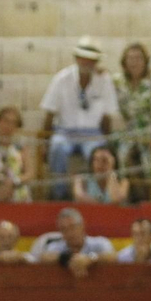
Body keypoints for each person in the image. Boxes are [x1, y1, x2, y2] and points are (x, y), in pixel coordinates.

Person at [38, 37, 118, 195]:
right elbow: (49, 112)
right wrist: (44, 141)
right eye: (84, 58)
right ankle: (59, 194)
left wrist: (106, 143)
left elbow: (107, 116)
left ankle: (97, 195)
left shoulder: (105, 80)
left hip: (92, 133)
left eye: (91, 59)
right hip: (64, 131)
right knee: (57, 148)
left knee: (99, 154)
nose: (87, 62)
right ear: (76, 58)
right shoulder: (61, 79)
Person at [114, 42, 151, 185]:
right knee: (123, 157)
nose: (134, 62)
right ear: (124, 62)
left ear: (145, 61)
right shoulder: (117, 81)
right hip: (126, 132)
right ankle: (126, 194)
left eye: (138, 58)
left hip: (149, 131)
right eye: (130, 58)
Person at [31, 207, 115, 277]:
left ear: (82, 226)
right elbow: (44, 257)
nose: (70, 233)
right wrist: (70, 258)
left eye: (73, 227)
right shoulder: (56, 246)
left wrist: (90, 258)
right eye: (64, 229)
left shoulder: (99, 242)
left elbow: (112, 256)